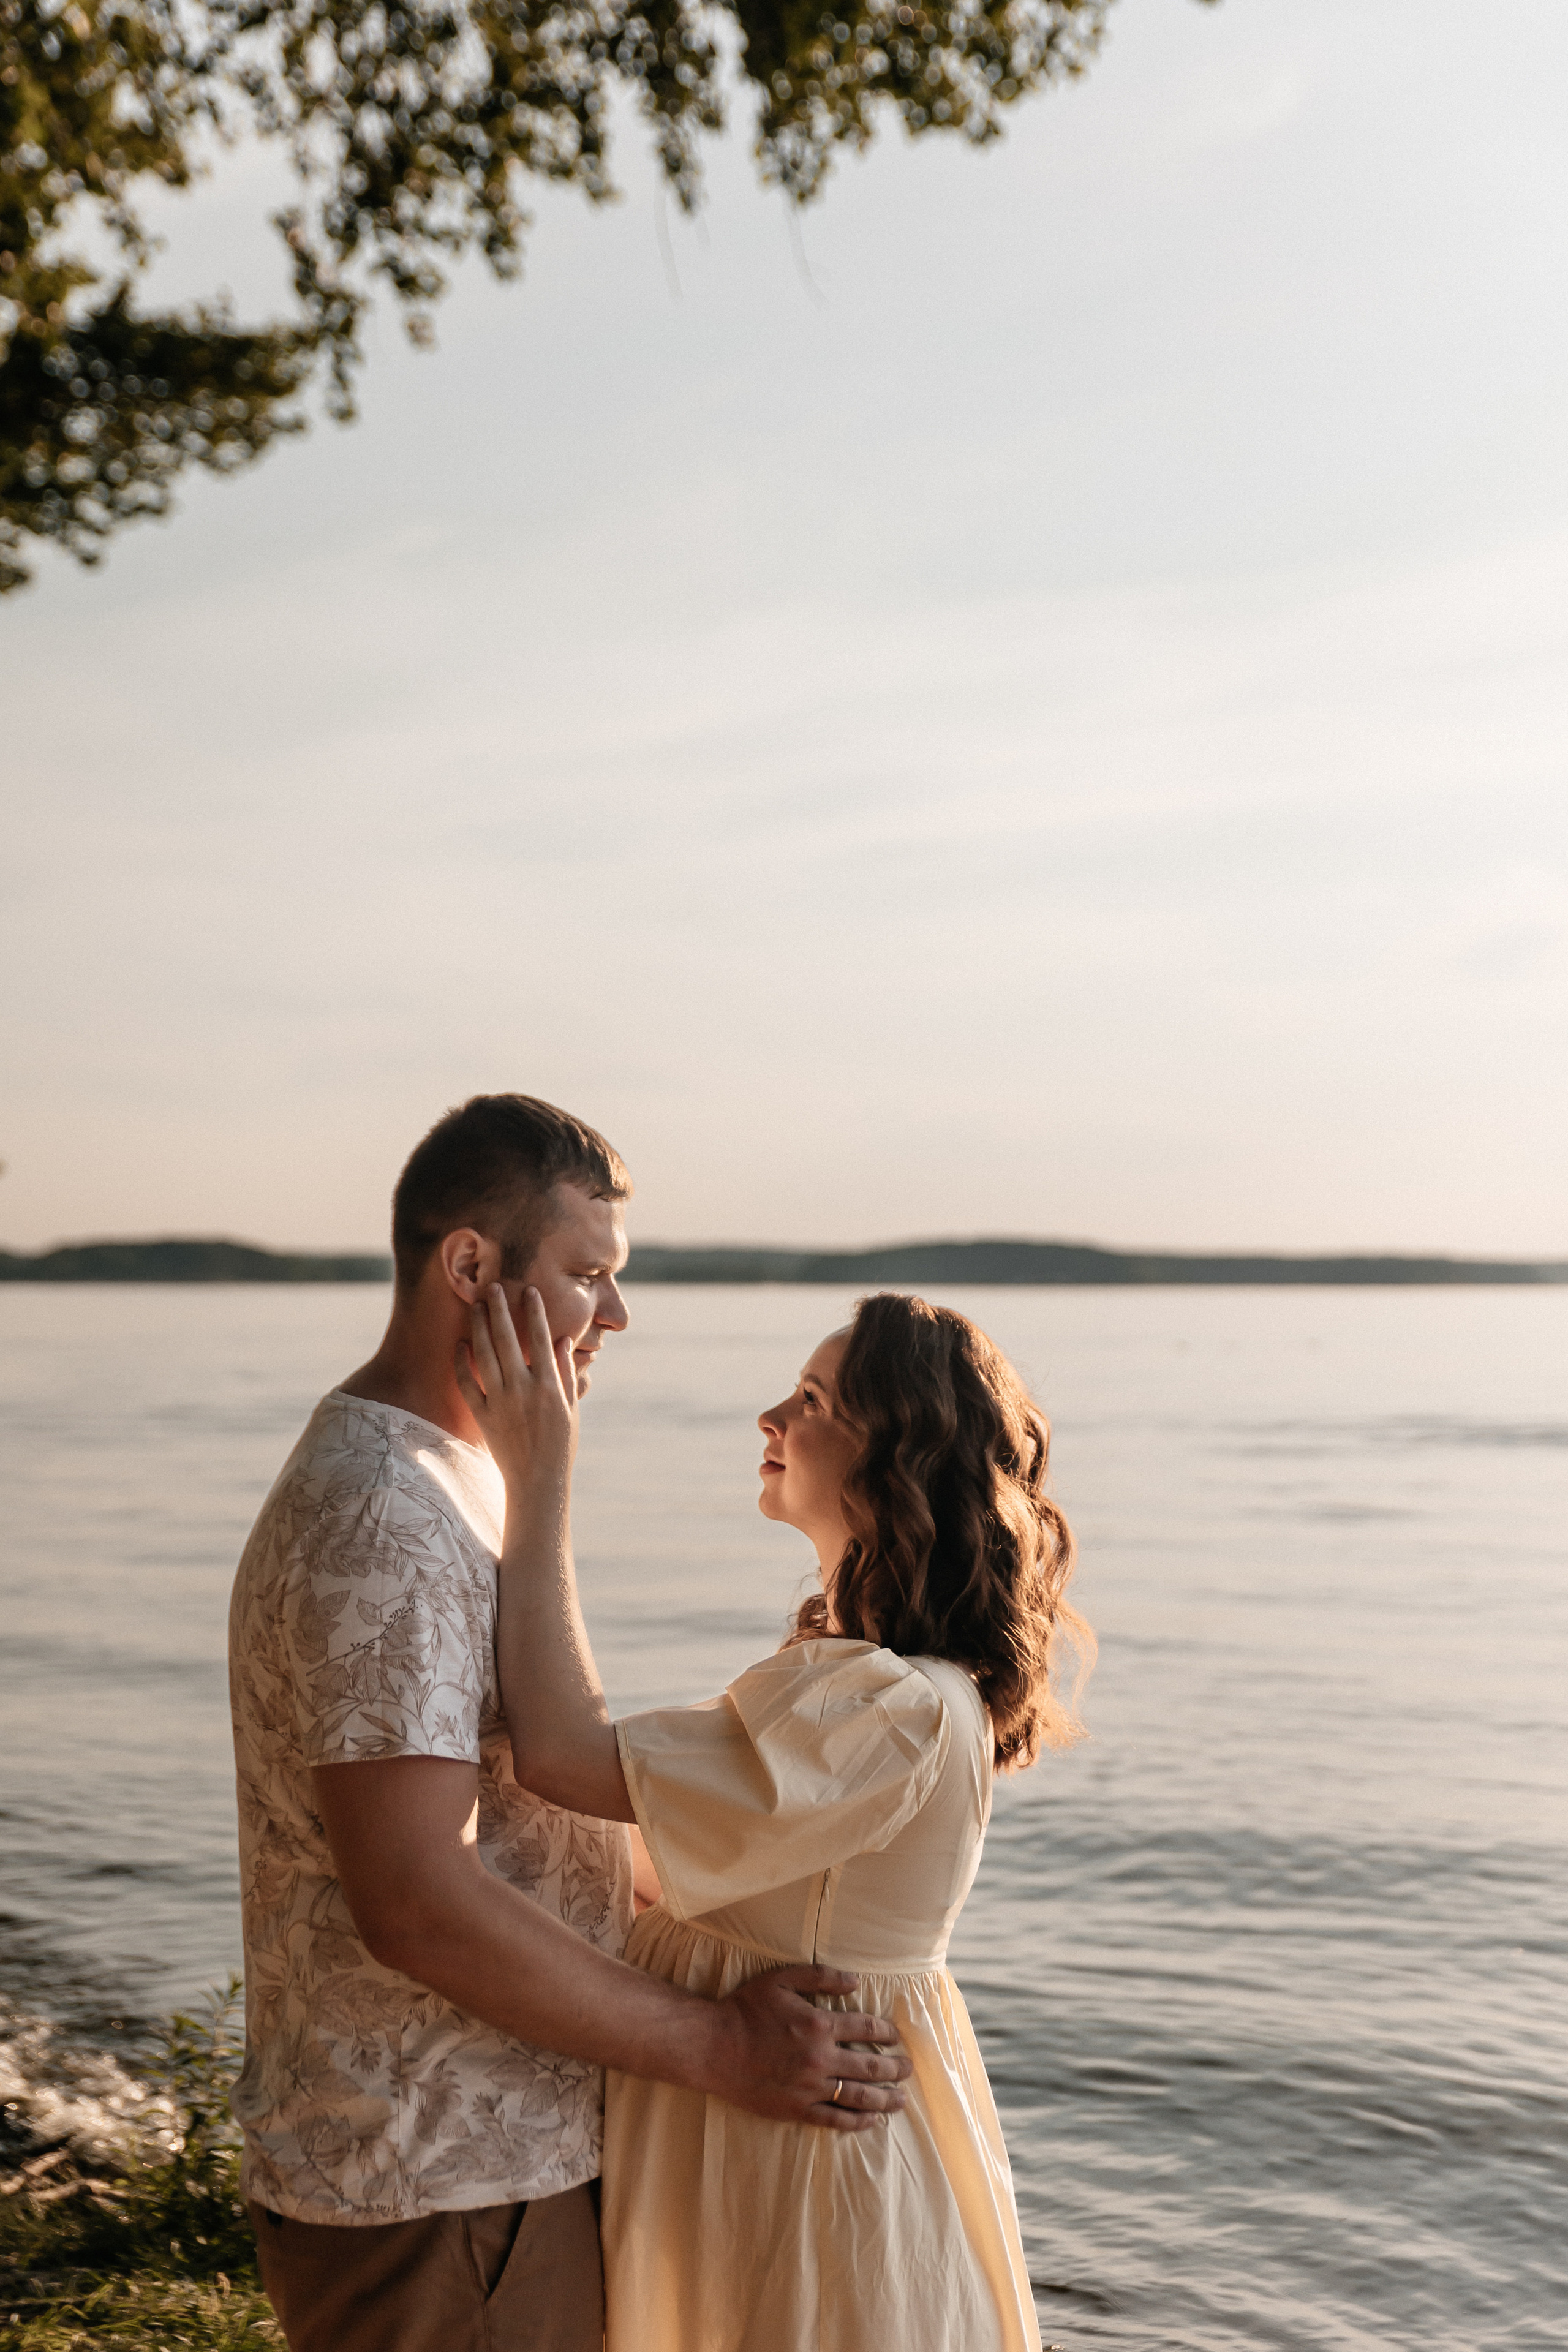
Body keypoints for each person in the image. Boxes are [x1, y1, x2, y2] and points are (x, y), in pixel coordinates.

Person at [227, 1094, 911, 2352]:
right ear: (471, 1268)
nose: (616, 1317)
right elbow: (417, 1899)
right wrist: (719, 2048)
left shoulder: (455, 1483)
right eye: (587, 1276)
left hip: (486, 2172)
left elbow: (524, 1812)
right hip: (435, 2184)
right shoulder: (380, 1515)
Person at [459, 1276, 1096, 2352]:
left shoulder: (885, 1703)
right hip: (770, 2134)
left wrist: (540, 1472)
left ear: (895, 1456)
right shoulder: (873, 1684)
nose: (773, 1419)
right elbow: (676, 1869)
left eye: (810, 1400)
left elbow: (563, 1758)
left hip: (797, 2164)